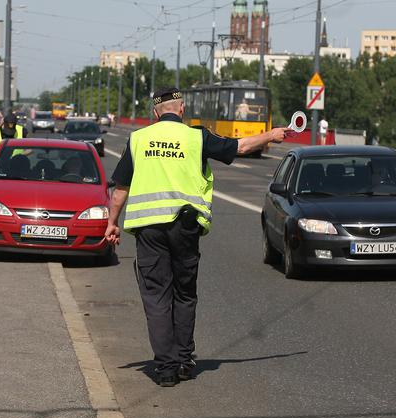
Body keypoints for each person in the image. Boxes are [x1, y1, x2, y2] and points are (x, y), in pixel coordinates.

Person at [104, 87, 286, 387]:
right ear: (182, 109)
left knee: (156, 296)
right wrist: (270, 135)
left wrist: (112, 223)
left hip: (149, 228)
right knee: (184, 293)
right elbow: (239, 147)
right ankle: (185, 360)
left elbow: (121, 188)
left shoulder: (138, 139)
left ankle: (165, 369)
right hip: (185, 228)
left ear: (155, 113)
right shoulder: (196, 137)